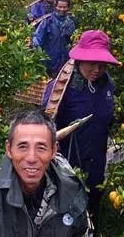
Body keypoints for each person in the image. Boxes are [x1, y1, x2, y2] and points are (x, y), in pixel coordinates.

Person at [42, 30, 119, 216]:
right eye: (92, 63)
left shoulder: (107, 85)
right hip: (68, 161)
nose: (97, 70)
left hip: (96, 160)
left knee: (92, 202)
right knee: (66, 207)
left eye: (102, 65)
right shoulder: (61, 88)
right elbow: (45, 124)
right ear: (80, 60)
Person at [31, 0, 75, 78]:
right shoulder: (48, 21)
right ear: (56, 6)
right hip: (48, 62)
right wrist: (40, 57)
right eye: (60, 7)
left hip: (65, 63)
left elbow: (73, 41)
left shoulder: (70, 23)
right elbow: (37, 39)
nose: (62, 9)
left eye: (64, 7)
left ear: (68, 7)